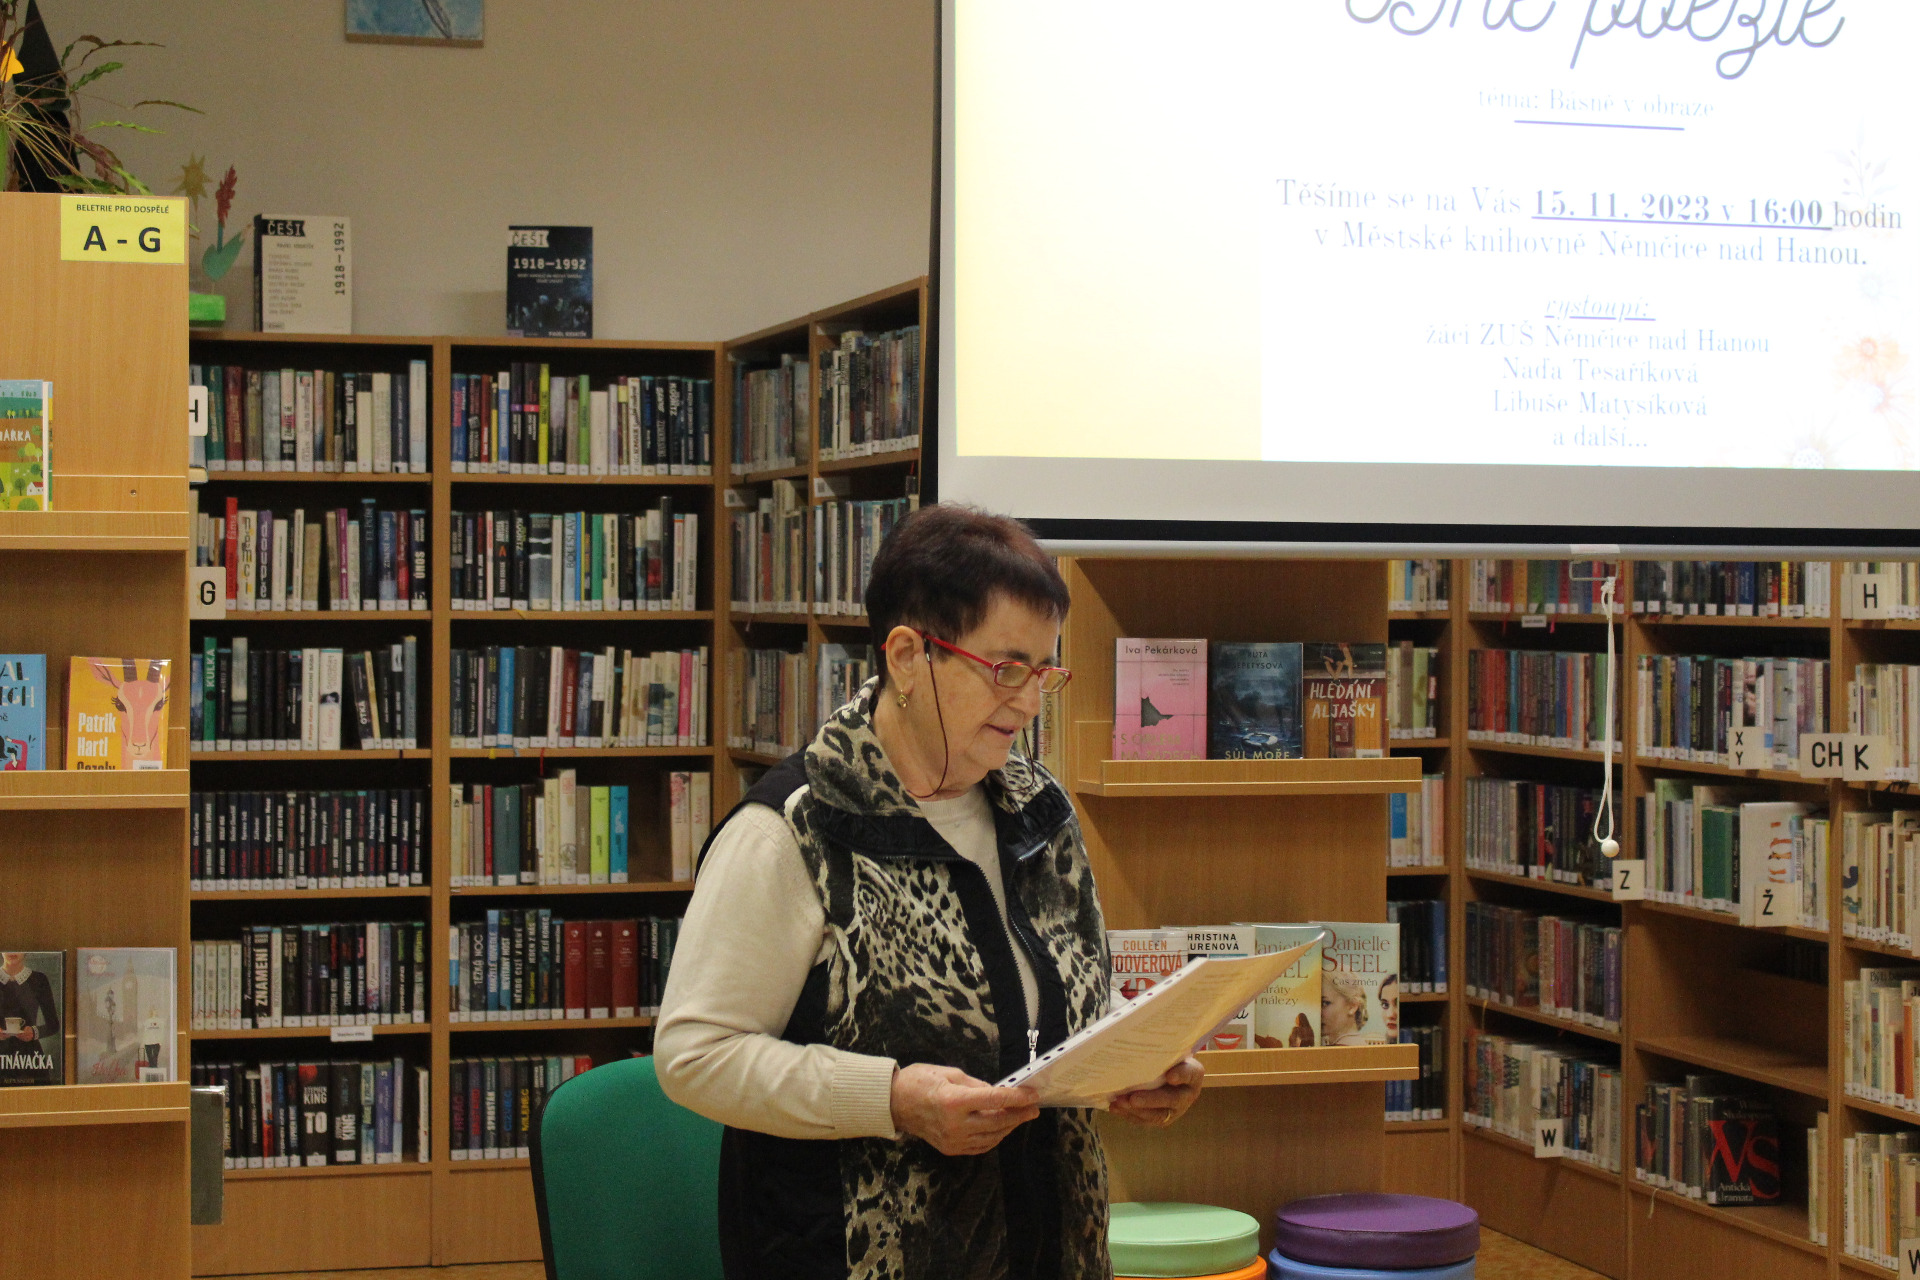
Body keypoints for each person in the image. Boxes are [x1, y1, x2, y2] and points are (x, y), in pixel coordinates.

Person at [656, 504, 1203, 1280]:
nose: (1029, 702)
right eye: (1006, 669)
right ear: (909, 657)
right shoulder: (795, 829)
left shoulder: (1039, 810)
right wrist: (890, 1098)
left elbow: (1045, 1001)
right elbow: (694, 1055)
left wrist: (1136, 1058)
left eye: (1044, 672)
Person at [1322, 973, 1371, 1046]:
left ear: (1352, 1006)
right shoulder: (1361, 1045)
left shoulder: (1339, 1049)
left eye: (1325, 1003)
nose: (1319, 1012)